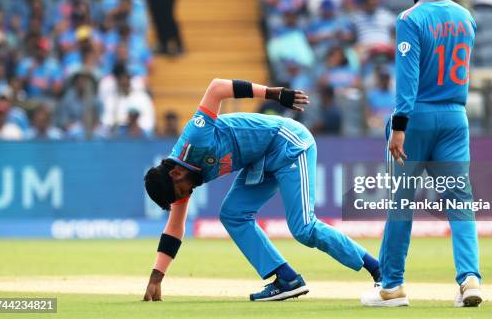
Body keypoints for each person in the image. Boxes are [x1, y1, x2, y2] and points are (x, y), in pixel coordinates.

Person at [142, 78, 381, 301]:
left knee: (304, 228)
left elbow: (217, 88)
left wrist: (274, 94)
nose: (185, 197)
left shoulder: (195, 138)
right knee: (233, 215)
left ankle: (379, 270)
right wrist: (156, 277)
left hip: (288, 143)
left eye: (181, 193)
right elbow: (174, 228)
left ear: (175, 174)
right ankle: (286, 278)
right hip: (261, 161)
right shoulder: (179, 180)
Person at [361, 0, 482, 308]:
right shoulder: (466, 17)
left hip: (417, 119)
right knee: (460, 203)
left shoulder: (409, 19)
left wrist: (399, 125)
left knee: (401, 203)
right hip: (455, 117)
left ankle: (393, 286)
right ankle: (470, 278)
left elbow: (408, 79)